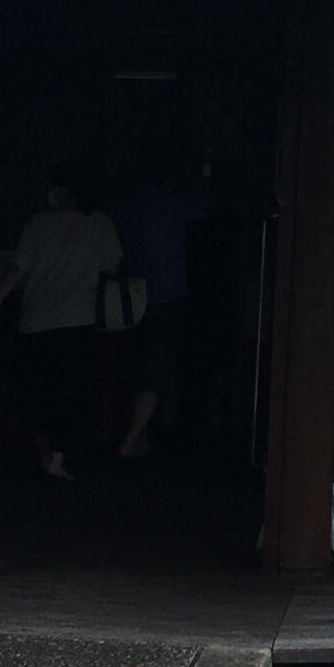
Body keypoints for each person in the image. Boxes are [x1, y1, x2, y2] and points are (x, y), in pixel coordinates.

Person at [0, 167, 121, 482]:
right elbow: (113, 264)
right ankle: (57, 456)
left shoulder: (38, 224)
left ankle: (46, 453)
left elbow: (19, 267)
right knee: (70, 392)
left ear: (62, 191)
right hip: (78, 321)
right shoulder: (99, 224)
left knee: (38, 391)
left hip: (37, 322)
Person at [116, 163, 209, 463]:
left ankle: (139, 435)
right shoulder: (174, 204)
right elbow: (205, 209)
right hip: (167, 296)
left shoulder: (129, 206)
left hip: (131, 293)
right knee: (156, 368)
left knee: (139, 365)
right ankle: (132, 439)